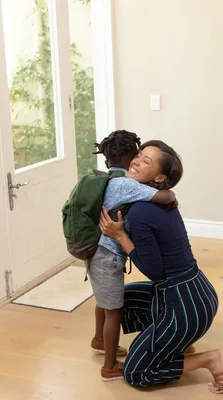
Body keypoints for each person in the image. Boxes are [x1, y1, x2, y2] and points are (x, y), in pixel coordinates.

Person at [99, 140, 223, 393]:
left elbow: (155, 271)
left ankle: (208, 358)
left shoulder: (140, 212)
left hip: (184, 304)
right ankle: (177, 342)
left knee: (135, 372)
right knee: (118, 302)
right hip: (196, 294)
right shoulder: (161, 201)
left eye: (146, 161)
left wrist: (120, 237)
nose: (136, 161)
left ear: (160, 177)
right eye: (138, 155)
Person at [88, 130, 177, 381]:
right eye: (137, 155)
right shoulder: (126, 184)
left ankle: (98, 340)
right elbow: (165, 196)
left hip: (94, 251)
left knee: (102, 301)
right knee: (114, 311)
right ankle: (109, 366)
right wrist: (170, 196)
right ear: (129, 158)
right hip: (108, 255)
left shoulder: (105, 179)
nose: (138, 161)